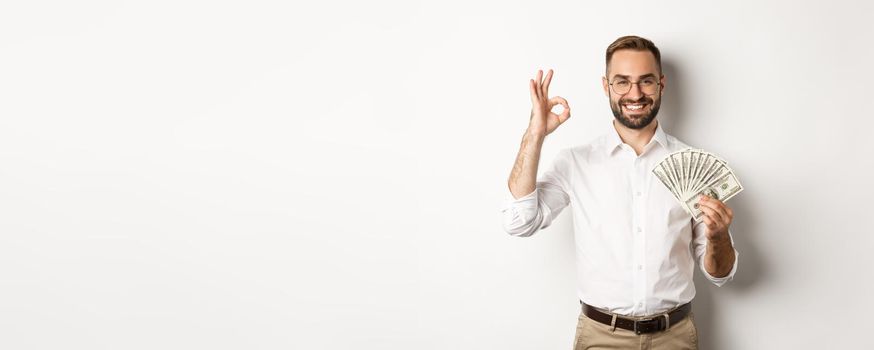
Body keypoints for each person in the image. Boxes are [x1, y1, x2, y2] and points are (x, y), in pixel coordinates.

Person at [501, 35, 739, 350]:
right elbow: (519, 221)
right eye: (622, 82)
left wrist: (719, 237)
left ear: (661, 85)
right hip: (601, 338)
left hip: (675, 338)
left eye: (646, 81)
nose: (635, 94)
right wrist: (535, 134)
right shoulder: (576, 162)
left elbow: (720, 274)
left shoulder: (692, 166)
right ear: (606, 86)